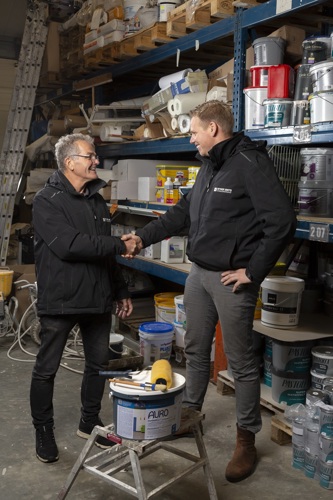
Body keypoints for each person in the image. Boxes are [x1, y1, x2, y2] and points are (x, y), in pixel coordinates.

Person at [122, 101, 297, 482]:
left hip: (230, 281)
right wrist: (142, 236)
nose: (191, 137)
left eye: (194, 130)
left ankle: (246, 440)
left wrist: (253, 271)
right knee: (197, 349)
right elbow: (181, 213)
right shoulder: (210, 165)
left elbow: (282, 221)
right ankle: (190, 414)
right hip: (199, 273)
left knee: (241, 363)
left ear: (214, 129)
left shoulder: (250, 164)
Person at [30, 133, 137, 463]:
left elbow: (104, 253)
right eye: (90, 156)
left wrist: (120, 290)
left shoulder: (96, 201)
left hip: (97, 298)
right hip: (61, 300)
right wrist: (121, 244)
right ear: (69, 162)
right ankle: (43, 430)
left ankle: (89, 422)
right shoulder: (46, 200)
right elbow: (69, 245)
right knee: (46, 369)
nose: (96, 161)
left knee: (98, 365)